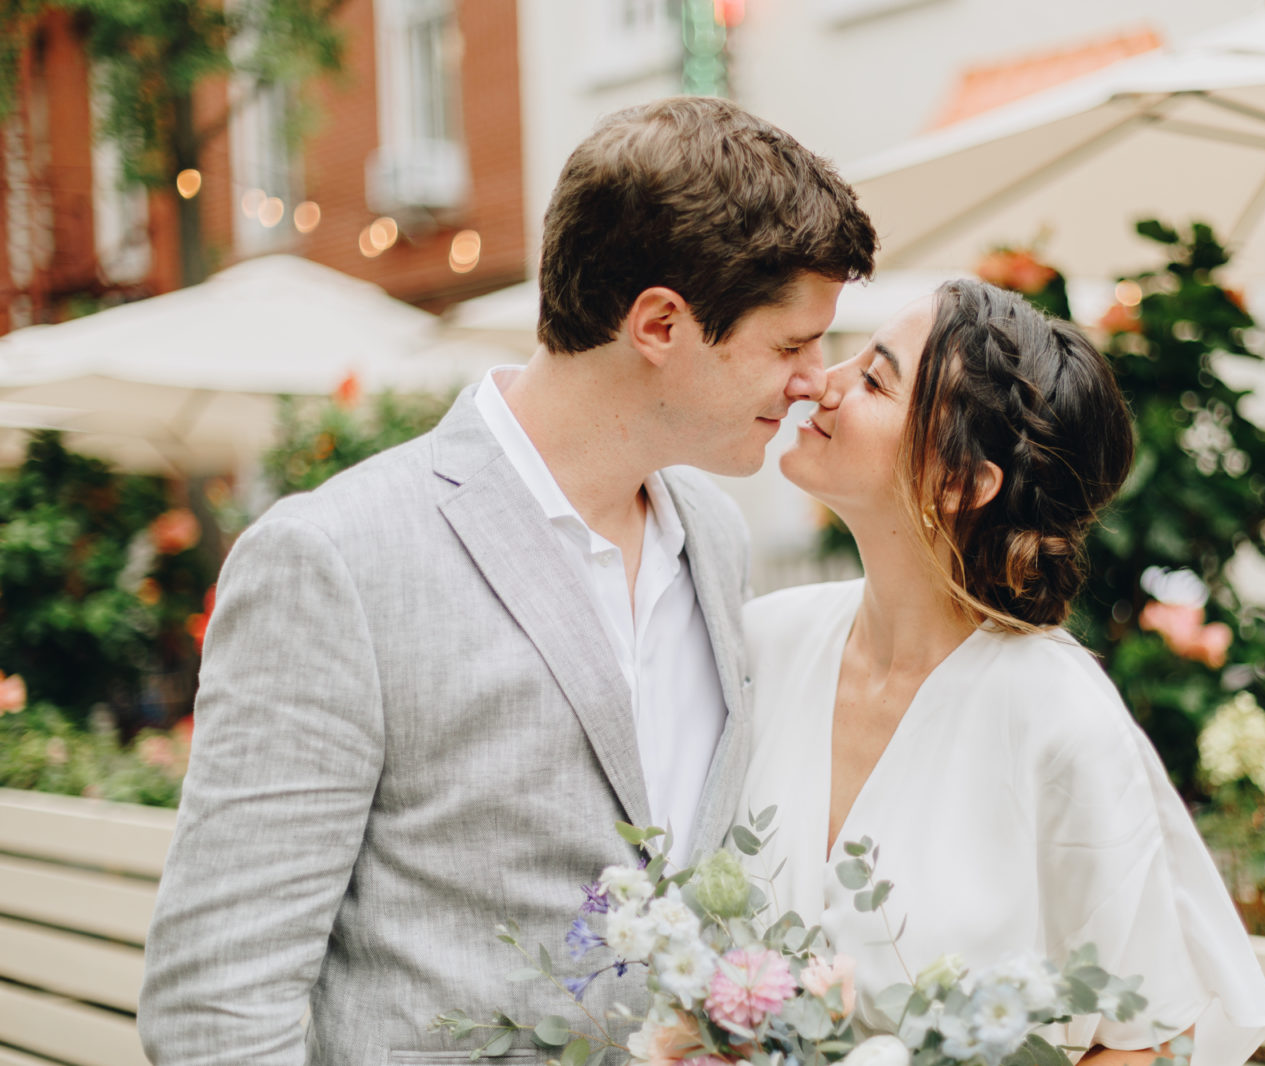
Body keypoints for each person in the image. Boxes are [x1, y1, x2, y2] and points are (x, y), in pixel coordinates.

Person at [138, 97, 877, 1066]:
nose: (815, 380)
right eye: (790, 345)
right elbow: (218, 1000)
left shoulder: (716, 534)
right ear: (659, 322)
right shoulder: (333, 559)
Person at [742, 280, 1265, 1066]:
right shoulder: (767, 643)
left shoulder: (1060, 718)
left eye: (873, 378)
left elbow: (1149, 1042)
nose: (819, 382)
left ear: (959, 482)